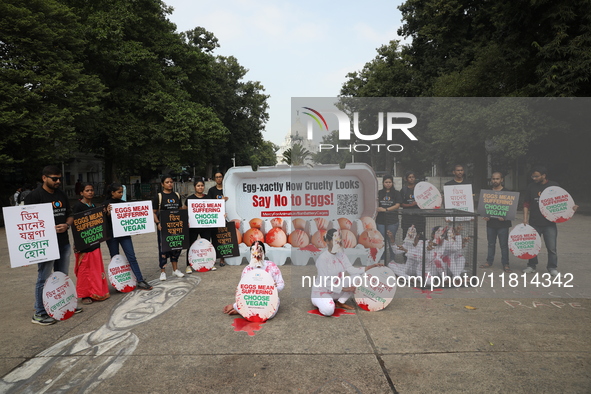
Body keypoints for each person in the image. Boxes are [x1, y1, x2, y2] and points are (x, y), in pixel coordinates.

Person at [0, 277, 200, 392]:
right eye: (149, 294)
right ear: (127, 298)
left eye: (172, 297)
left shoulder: (121, 350)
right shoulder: (71, 343)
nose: (155, 303)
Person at [24, 165, 76, 325]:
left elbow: (70, 215)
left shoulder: (61, 194)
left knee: (61, 276)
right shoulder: (34, 196)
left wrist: (66, 225)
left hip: (64, 243)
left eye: (59, 178)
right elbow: (27, 221)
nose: (58, 181)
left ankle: (63, 305)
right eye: (55, 178)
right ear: (44, 178)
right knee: (44, 278)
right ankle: (39, 312)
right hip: (46, 245)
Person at [311, 229, 381, 316]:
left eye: (339, 241)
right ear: (328, 241)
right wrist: (346, 289)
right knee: (328, 311)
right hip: (322, 291)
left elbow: (351, 269)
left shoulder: (341, 254)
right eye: (335, 241)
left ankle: (340, 302)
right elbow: (325, 282)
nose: (338, 243)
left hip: (336, 290)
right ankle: (325, 302)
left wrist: (370, 267)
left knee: (357, 278)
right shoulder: (323, 259)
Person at [522, 166, 578, 276]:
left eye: (536, 176)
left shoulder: (554, 186)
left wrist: (572, 208)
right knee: (532, 245)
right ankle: (531, 265)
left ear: (544, 175)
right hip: (534, 221)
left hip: (549, 223)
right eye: (533, 176)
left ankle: (552, 268)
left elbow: (562, 201)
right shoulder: (531, 187)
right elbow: (526, 203)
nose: (534, 178)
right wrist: (525, 219)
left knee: (552, 247)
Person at [104, 183, 153, 291]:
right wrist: (107, 212)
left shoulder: (123, 204)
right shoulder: (106, 204)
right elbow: (103, 222)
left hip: (124, 234)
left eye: (122, 192)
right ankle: (119, 282)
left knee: (131, 257)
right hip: (112, 235)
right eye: (119, 192)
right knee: (115, 258)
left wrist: (135, 228)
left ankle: (139, 280)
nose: (121, 194)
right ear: (112, 193)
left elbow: (129, 218)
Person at [223, 241, 284, 317]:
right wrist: (240, 289)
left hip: (268, 299)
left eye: (260, 251)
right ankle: (238, 307)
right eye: (254, 252)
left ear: (264, 252)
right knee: (247, 308)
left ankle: (238, 309)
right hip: (252, 300)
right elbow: (243, 290)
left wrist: (274, 288)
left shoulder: (272, 266)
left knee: (269, 315)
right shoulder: (247, 269)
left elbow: (281, 283)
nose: (257, 255)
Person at [72, 183, 110, 304]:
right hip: (84, 244)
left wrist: (106, 213)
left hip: (95, 242)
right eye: (87, 190)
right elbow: (76, 227)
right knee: (84, 270)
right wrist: (76, 243)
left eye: (92, 190)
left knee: (95, 270)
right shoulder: (78, 206)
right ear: (81, 193)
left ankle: (96, 292)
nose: (90, 192)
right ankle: (85, 295)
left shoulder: (94, 206)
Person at [480, 172, 513, 273]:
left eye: (497, 179)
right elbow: (484, 208)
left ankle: (505, 263)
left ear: (502, 180)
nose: (495, 181)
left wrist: (506, 217)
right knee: (490, 244)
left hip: (503, 225)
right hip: (491, 224)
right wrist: (485, 215)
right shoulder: (488, 193)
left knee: (503, 245)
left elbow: (510, 209)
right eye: (493, 179)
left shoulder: (507, 192)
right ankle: (489, 261)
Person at [153, 175, 184, 280]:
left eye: (171, 182)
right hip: (163, 228)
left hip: (175, 227)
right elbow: (153, 212)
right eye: (167, 182)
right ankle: (163, 271)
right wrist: (157, 223)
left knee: (176, 247)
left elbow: (180, 210)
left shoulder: (177, 195)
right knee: (163, 249)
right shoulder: (159, 196)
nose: (170, 184)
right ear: (162, 184)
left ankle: (175, 270)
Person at [183, 178, 215, 273]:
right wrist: (186, 220)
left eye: (202, 185)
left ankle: (209, 263)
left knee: (207, 246)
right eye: (198, 186)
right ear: (194, 187)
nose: (200, 187)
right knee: (190, 245)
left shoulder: (208, 198)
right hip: (193, 227)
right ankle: (188, 265)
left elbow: (214, 210)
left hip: (205, 227)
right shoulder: (189, 199)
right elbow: (184, 211)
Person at [376, 175, 402, 258]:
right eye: (386, 182)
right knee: (381, 241)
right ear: (383, 183)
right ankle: (382, 259)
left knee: (391, 240)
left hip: (392, 221)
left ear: (392, 183)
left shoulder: (396, 193)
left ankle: (392, 260)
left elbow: (397, 205)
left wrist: (386, 209)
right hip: (380, 221)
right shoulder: (379, 193)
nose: (388, 184)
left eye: (389, 182)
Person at [207, 171, 228, 267]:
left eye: (220, 176)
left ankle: (222, 258)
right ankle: (214, 257)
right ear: (214, 179)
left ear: (223, 178)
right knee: (214, 238)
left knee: (223, 238)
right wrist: (220, 200)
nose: (219, 178)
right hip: (215, 218)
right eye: (217, 177)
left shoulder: (228, 189)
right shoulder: (211, 190)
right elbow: (209, 203)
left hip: (226, 217)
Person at [400, 171, 426, 239]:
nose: (411, 179)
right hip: (407, 217)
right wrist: (410, 205)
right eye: (409, 177)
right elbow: (400, 204)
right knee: (407, 236)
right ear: (406, 179)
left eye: (413, 177)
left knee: (419, 235)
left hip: (419, 216)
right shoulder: (404, 190)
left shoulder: (420, 189)